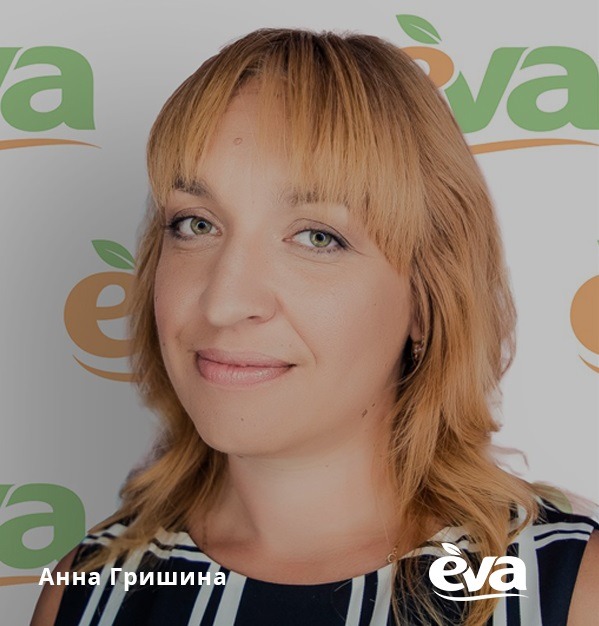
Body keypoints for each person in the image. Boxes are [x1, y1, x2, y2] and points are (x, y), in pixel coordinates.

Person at [32, 28, 598, 626]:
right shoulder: (87, 591)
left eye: (317, 237)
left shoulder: (565, 590)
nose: (224, 302)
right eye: (196, 224)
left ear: (426, 300)